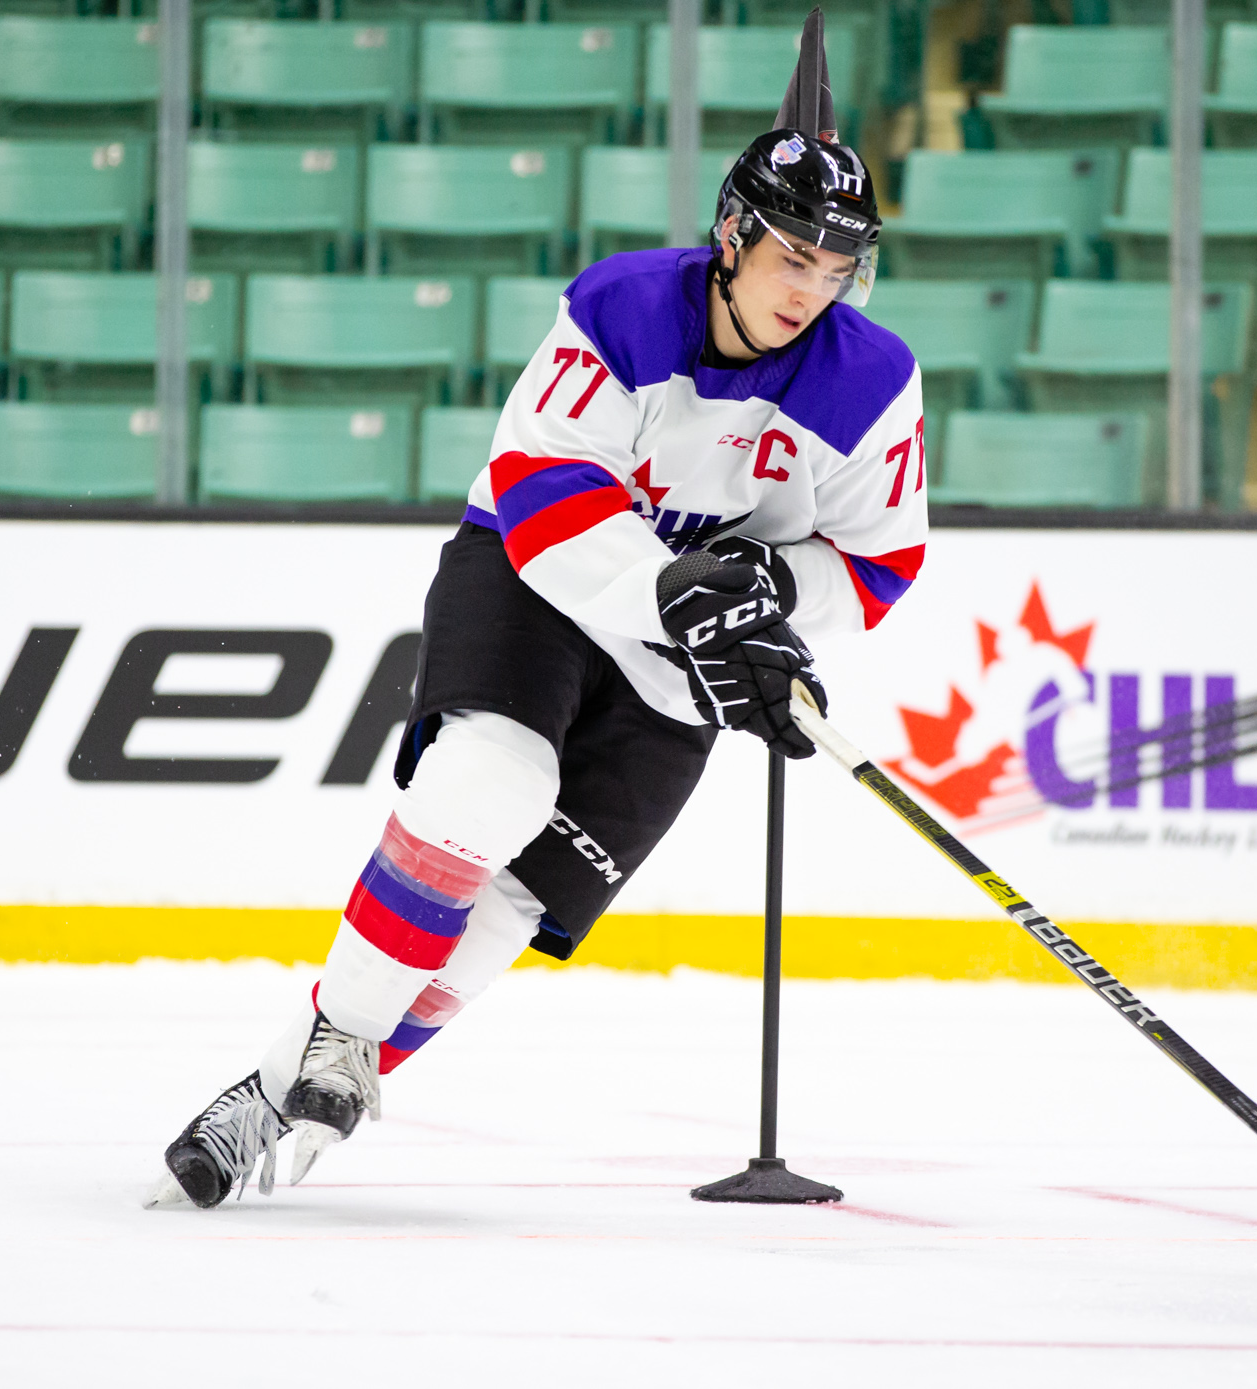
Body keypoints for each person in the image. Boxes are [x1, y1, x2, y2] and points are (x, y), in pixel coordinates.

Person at [149, 126, 928, 1210]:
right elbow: (541, 488)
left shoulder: (873, 378)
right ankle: (332, 1049)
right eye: (792, 256)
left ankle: (282, 1090)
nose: (812, 288)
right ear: (731, 231)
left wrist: (769, 601)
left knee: (512, 904)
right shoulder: (623, 306)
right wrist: (681, 594)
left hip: (675, 652)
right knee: (488, 785)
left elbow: (878, 559)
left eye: (836, 266)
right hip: (537, 581)